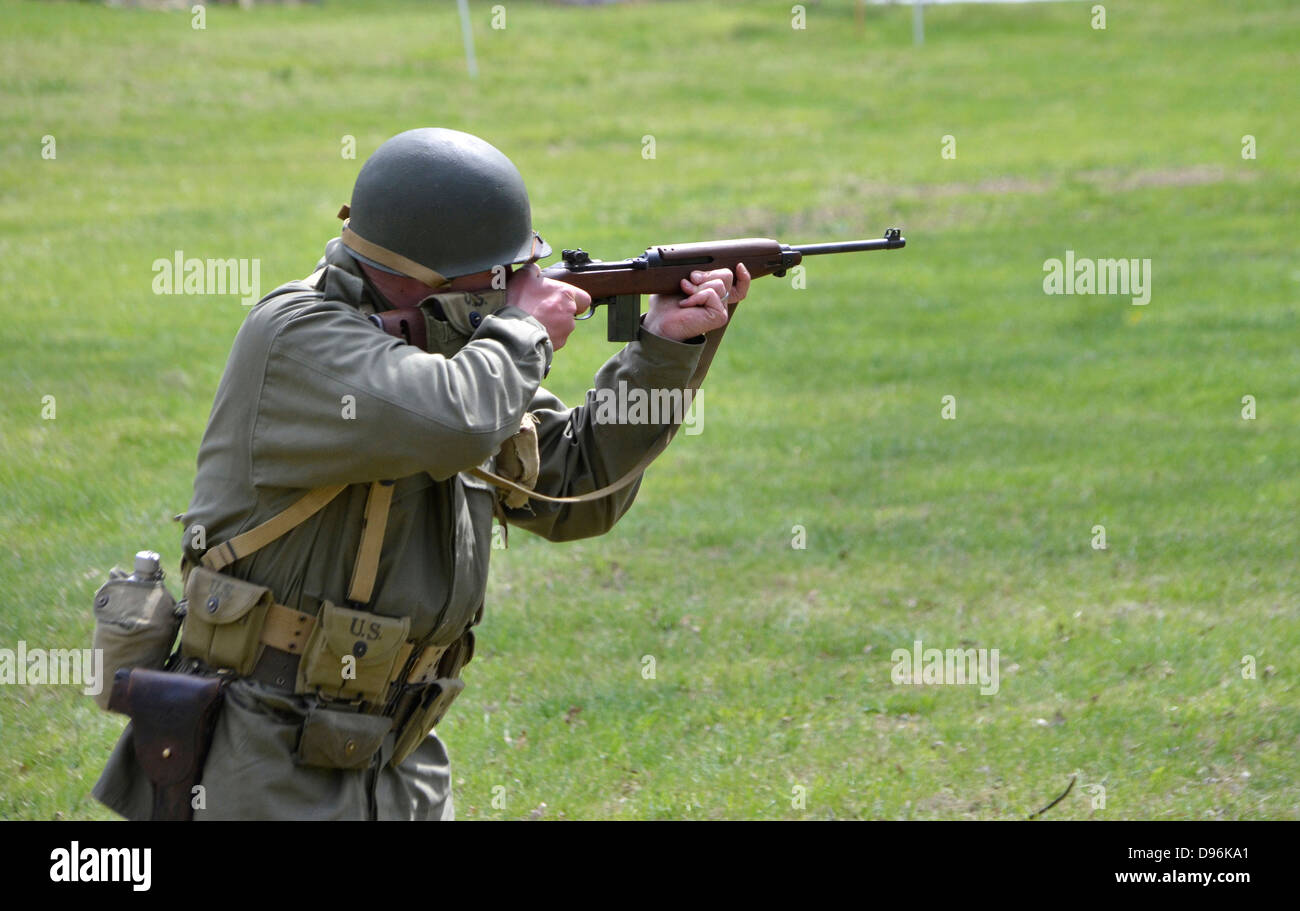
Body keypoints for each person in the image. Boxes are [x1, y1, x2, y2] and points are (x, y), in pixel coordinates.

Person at [92, 127, 749, 820]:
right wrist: (524, 329)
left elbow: (576, 489)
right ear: (418, 275)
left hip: (400, 758)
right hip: (266, 754)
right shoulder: (299, 339)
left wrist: (665, 349)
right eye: (501, 275)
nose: (519, 288)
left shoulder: (461, 350)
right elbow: (454, 420)